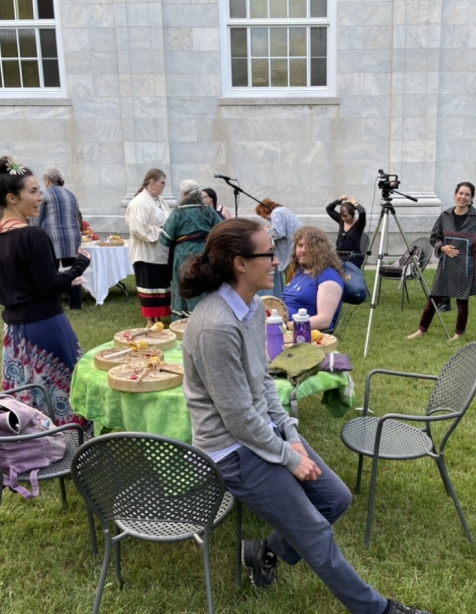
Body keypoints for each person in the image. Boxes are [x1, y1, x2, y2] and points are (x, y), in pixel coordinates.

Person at [179, 218, 431, 614]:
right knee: (315, 532)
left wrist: (291, 435)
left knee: (335, 499)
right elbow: (238, 419)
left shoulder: (253, 308)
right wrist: (290, 458)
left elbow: (263, 383)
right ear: (240, 263)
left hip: (260, 435)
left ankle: (264, 551)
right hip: (231, 452)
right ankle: (380, 611)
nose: (277, 260)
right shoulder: (214, 325)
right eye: (268, 253)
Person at [0, 156, 92, 428]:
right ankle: (72, 442)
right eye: (33, 191)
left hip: (15, 333)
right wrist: (79, 264)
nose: (40, 197)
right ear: (11, 198)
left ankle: (35, 440)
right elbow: (50, 286)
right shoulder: (33, 236)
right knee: (66, 388)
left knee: (27, 392)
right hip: (47, 326)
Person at [406, 182, 476, 341]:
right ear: (455, 194)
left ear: (471, 198)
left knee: (462, 302)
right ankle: (421, 330)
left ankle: (458, 333)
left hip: (466, 266)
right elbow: (434, 237)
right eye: (460, 193)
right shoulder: (445, 216)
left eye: (467, 195)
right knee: (433, 298)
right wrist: (442, 248)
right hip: (446, 266)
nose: (463, 197)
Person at [160, 179, 223, 318]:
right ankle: (206, 315)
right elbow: (221, 230)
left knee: (184, 282)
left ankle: (182, 321)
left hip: (183, 254)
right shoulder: (208, 210)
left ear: (184, 195)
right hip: (206, 253)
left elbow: (165, 238)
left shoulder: (178, 212)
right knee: (205, 281)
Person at [125, 169, 171, 326]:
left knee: (160, 286)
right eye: (162, 183)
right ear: (151, 182)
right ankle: (150, 320)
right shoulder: (139, 202)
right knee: (149, 286)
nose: (164, 186)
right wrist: (163, 231)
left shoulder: (160, 200)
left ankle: (158, 318)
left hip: (160, 252)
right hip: (146, 253)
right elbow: (139, 229)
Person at [33, 168, 84, 309]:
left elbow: (37, 218)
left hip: (52, 236)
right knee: (73, 270)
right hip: (72, 236)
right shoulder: (71, 195)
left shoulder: (44, 194)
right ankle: (76, 304)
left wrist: (34, 233)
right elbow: (77, 216)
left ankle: (55, 303)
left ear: (47, 181)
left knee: (51, 271)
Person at [282, 226, 343, 332]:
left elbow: (324, 321)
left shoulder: (328, 277)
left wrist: (287, 326)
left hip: (303, 336)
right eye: (300, 245)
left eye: (309, 247)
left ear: (320, 250)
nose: (303, 250)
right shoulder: (301, 272)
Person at [255, 197, 303, 298]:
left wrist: (265, 231)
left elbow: (278, 232)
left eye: (263, 216)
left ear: (264, 210)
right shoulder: (283, 211)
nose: (265, 219)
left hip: (291, 253)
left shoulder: (276, 213)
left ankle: (291, 302)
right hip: (296, 250)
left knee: (292, 283)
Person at [326, 195, 367, 267]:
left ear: (352, 214)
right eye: (342, 216)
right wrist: (339, 199)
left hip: (353, 257)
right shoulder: (341, 220)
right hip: (339, 256)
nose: (343, 218)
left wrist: (355, 203)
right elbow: (329, 209)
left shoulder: (360, 223)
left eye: (345, 216)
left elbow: (362, 212)